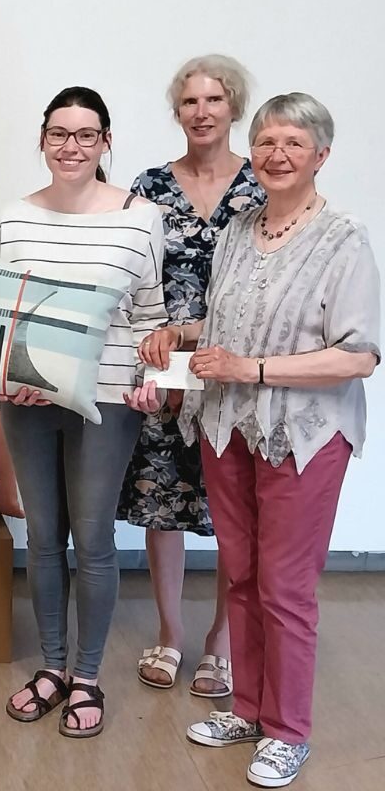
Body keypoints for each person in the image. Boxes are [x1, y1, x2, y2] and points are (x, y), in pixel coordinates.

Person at [135, 93, 379, 788]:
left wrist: (255, 369)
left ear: (321, 156)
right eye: (267, 141)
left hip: (304, 436)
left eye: (294, 144)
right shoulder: (240, 229)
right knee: (240, 577)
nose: (276, 155)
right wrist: (180, 334)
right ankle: (248, 709)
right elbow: (223, 318)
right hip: (228, 425)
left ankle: (288, 730)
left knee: (287, 589)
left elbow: (359, 355)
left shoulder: (344, 238)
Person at [0, 88, 168, 738]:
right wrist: (5, 376)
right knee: (43, 540)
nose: (72, 146)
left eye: (86, 135)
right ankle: (52, 670)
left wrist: (151, 379)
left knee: (93, 541)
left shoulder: (139, 217)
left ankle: (89, 677)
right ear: (42, 139)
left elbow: (151, 315)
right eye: (60, 133)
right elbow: (1, 314)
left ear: (106, 142)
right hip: (30, 400)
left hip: (107, 397)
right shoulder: (13, 217)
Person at [119, 55, 265, 698]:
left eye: (214, 100)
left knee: (237, 505)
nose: (201, 112)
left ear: (234, 107)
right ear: (176, 113)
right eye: (189, 103)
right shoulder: (148, 187)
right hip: (164, 365)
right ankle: (171, 634)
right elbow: (132, 279)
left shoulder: (264, 184)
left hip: (239, 366)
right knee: (164, 501)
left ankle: (222, 641)